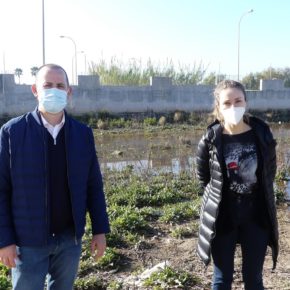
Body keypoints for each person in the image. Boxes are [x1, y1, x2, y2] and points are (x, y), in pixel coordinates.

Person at [0, 64, 110, 290]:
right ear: (35, 90)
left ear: (69, 92)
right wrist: (5, 241)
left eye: (60, 86)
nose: (54, 90)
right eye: (47, 85)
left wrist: (100, 229)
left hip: (69, 240)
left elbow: (93, 186)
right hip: (27, 241)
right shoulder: (12, 133)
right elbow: (1, 190)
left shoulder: (82, 134)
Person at [196, 80, 278, 290]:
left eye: (238, 101)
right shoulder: (210, 139)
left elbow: (269, 173)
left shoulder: (261, 133)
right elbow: (204, 179)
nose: (233, 107)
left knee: (254, 278)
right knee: (222, 279)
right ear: (219, 107)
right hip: (223, 218)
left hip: (256, 217)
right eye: (227, 103)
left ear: (245, 102)